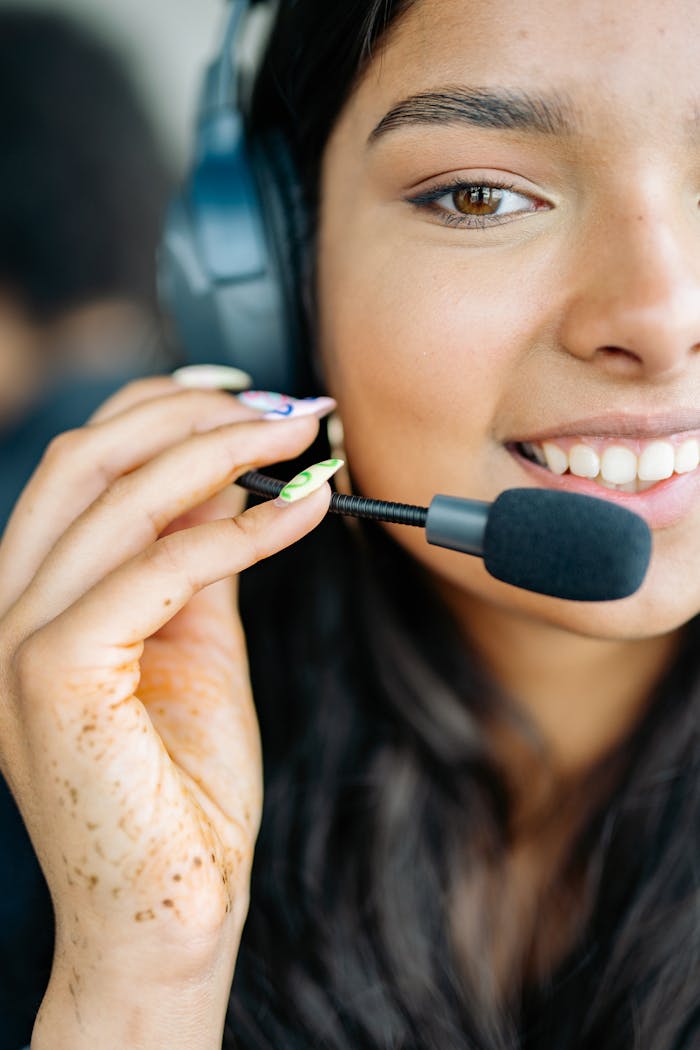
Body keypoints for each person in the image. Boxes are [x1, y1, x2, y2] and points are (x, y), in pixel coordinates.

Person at [2, 0, 700, 1047]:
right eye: (479, 195)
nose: (658, 319)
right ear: (270, 280)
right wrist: (140, 969)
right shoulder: (85, 758)